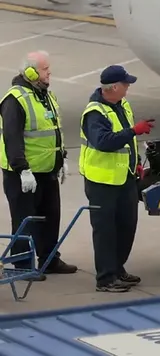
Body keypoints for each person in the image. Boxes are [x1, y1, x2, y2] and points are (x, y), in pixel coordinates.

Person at [0, 50, 77, 280]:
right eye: (45, 68)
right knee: (25, 219)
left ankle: (49, 259)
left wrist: (61, 157)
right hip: (24, 174)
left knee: (50, 217)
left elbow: (54, 130)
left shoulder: (45, 96)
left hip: (47, 171)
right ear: (31, 72)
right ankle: (23, 265)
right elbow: (12, 137)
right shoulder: (15, 99)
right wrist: (22, 169)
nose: (49, 72)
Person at [79, 64, 155, 293]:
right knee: (105, 231)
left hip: (125, 178)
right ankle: (105, 278)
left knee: (126, 226)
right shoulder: (95, 113)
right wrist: (134, 131)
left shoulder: (121, 105)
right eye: (125, 84)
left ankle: (117, 269)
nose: (128, 88)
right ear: (113, 88)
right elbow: (104, 142)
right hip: (102, 182)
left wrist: (137, 164)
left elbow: (128, 146)